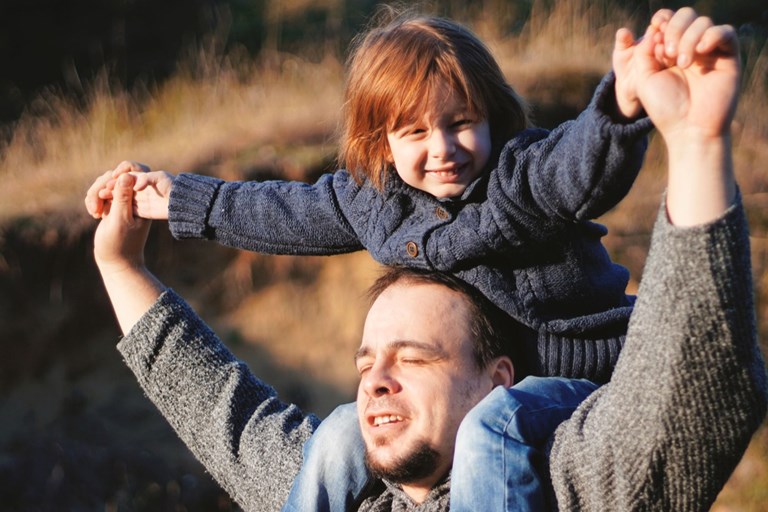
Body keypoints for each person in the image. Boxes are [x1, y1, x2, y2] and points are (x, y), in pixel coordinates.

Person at [90, 7, 768, 511]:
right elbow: (275, 216)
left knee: (488, 434)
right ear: (380, 144)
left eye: (460, 122)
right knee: (332, 436)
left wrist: (634, 114)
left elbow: (579, 168)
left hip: (572, 387)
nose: (442, 148)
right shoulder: (372, 203)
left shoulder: (577, 475)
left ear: (492, 120)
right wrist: (170, 207)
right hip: (499, 401)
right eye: (414, 131)